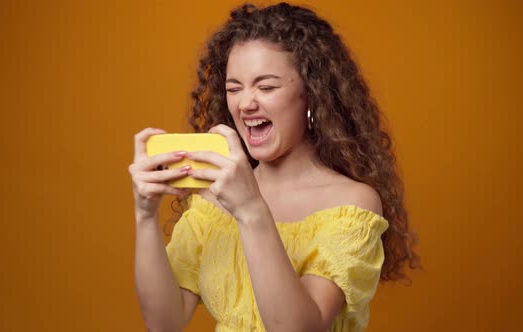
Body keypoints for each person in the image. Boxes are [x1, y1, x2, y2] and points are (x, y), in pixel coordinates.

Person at [128, 3, 419, 331]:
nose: (246, 103)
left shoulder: (353, 204)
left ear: (311, 94)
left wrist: (250, 208)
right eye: (233, 89)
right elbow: (164, 324)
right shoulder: (210, 205)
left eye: (266, 87)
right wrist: (146, 215)